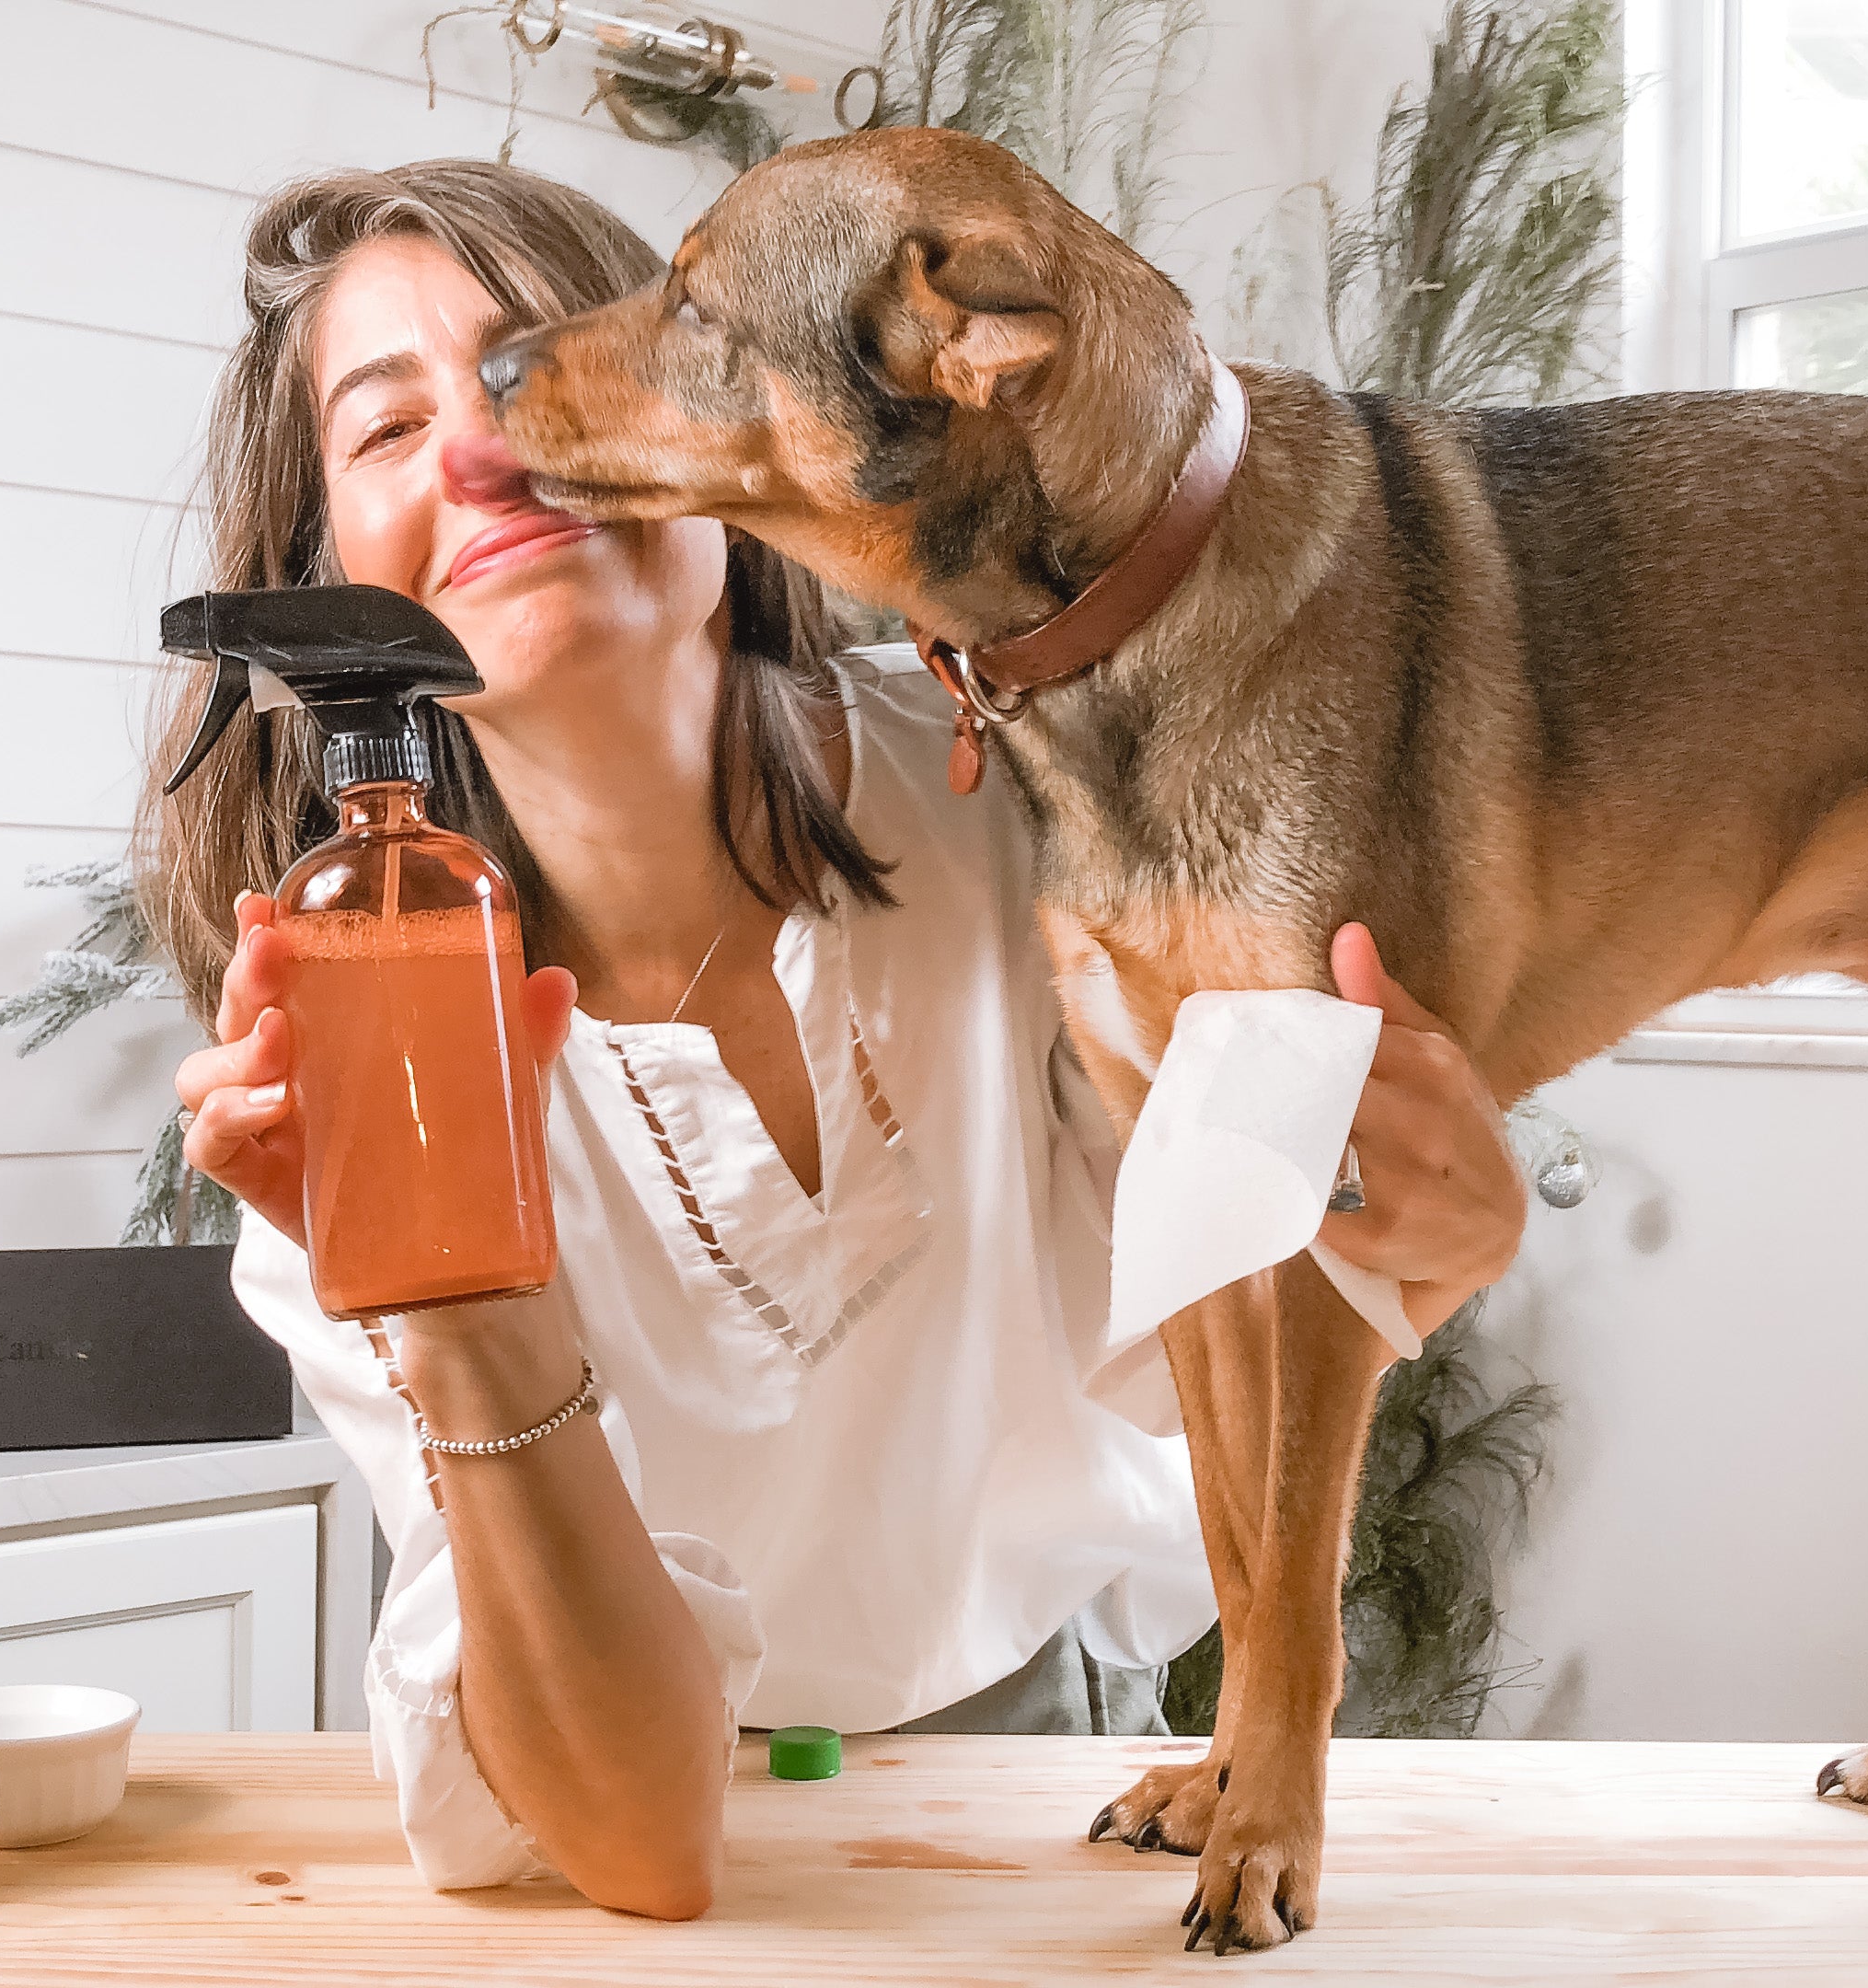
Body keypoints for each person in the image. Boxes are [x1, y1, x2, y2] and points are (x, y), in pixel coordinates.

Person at [142, 159, 1526, 1922]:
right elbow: (635, 1839)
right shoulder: (342, 1072)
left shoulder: (1029, 803)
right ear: (322, 575)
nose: (491, 444)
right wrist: (453, 1304)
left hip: (1057, 1786)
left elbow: (1245, 1269)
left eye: (538, 359)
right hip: (630, 1801)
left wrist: (1426, 1230)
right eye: (386, 430)